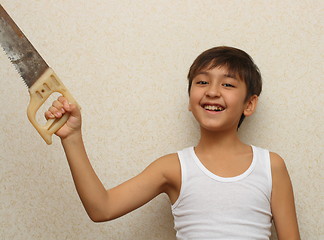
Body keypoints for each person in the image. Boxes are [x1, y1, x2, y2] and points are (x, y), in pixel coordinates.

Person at [45, 46, 300, 239]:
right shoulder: (173, 167)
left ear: (249, 104)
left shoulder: (271, 166)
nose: (212, 91)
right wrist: (72, 138)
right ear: (190, 100)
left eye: (228, 84)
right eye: (202, 82)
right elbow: (102, 208)